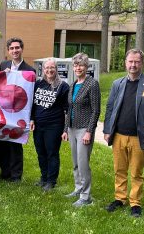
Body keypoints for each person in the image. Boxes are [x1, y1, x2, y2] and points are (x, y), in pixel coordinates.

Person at [103, 49, 144, 217]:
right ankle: (119, 198)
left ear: (141, 63)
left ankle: (135, 203)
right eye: (130, 61)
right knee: (119, 170)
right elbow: (110, 108)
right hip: (119, 135)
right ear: (125, 62)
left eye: (136, 62)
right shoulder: (118, 84)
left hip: (140, 136)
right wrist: (108, 129)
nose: (133, 65)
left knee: (136, 172)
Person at [62, 53, 101, 207]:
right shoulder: (73, 85)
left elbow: (96, 110)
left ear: (87, 67)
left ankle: (86, 196)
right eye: (76, 65)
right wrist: (65, 129)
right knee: (75, 162)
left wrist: (89, 131)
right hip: (72, 128)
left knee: (83, 163)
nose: (78, 68)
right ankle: (78, 188)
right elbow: (69, 109)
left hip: (84, 129)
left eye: (81, 65)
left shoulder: (92, 84)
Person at [0, 37, 36, 182]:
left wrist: (31, 117)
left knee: (15, 144)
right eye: (12, 48)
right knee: (2, 142)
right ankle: (5, 172)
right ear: (8, 51)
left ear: (22, 49)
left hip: (20, 112)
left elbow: (32, 96)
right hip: (3, 111)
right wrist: (2, 75)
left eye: (17, 48)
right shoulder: (3, 65)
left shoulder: (29, 71)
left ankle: (15, 175)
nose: (15, 51)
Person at [30, 58, 69, 191]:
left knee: (52, 153)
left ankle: (51, 181)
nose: (49, 70)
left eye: (52, 67)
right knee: (41, 152)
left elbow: (67, 109)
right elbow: (33, 105)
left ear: (56, 69)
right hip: (38, 125)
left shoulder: (63, 86)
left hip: (54, 126)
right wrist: (32, 119)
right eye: (47, 68)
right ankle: (44, 177)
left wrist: (65, 129)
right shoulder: (38, 84)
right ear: (43, 70)